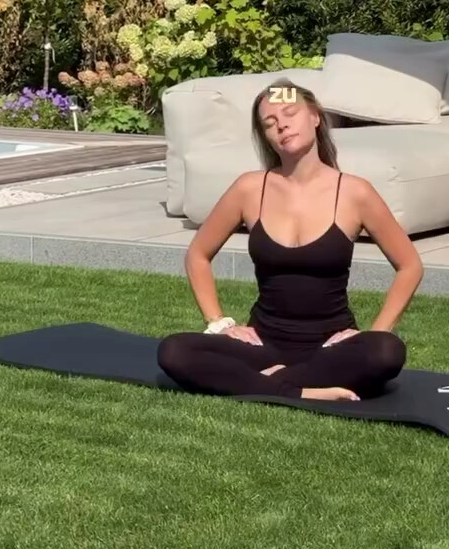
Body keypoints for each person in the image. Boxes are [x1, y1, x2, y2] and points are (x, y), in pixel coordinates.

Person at [157, 78, 424, 403]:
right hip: (262, 344)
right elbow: (198, 254)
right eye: (270, 123)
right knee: (173, 351)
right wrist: (218, 323)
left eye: (289, 113)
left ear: (315, 116)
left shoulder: (355, 192)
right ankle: (302, 389)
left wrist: (377, 330)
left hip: (330, 347)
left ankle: (268, 382)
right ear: (266, 137)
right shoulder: (249, 188)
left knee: (386, 351)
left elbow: (410, 265)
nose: (281, 125)